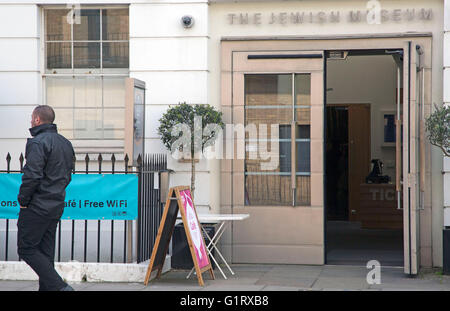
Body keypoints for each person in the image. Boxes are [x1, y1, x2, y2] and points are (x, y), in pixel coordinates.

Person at [17, 105, 75, 291]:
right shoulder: (65, 143)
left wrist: (23, 200)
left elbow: (32, 175)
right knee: (45, 253)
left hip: (37, 206)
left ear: (37, 120)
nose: (30, 121)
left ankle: (60, 287)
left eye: (32, 118)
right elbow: (68, 175)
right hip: (56, 205)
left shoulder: (37, 142)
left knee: (26, 249)